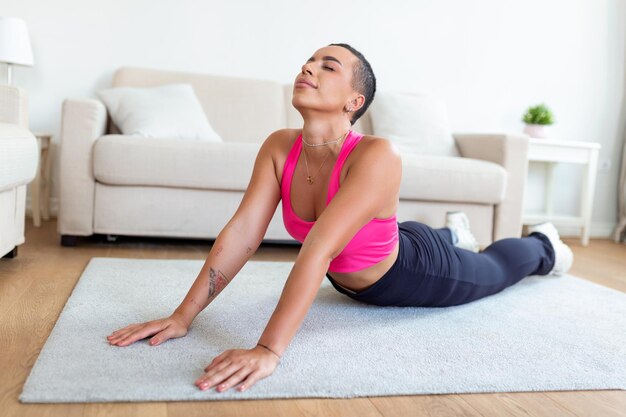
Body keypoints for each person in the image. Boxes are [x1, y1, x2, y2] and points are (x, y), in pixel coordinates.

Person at [107, 43, 574, 393]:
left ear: (355, 101)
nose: (308, 67)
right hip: (385, 248)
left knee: (495, 269)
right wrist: (182, 316)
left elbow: (319, 248)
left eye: (328, 66)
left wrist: (268, 350)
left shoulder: (377, 154)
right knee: (417, 234)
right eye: (308, 61)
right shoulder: (278, 146)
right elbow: (244, 233)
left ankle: (544, 246)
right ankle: (453, 232)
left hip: (415, 269)